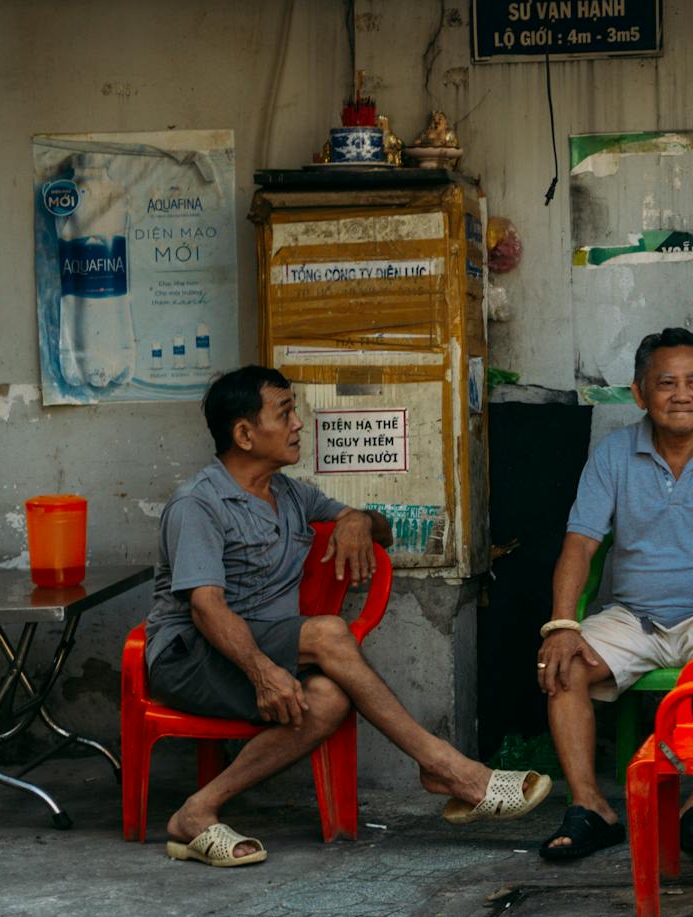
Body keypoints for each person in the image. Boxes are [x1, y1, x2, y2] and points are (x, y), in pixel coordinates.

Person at [144, 365, 550, 867]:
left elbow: (382, 530)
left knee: (331, 699)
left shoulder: (290, 494)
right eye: (285, 412)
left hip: (259, 647)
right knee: (330, 633)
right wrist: (265, 672)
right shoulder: (198, 505)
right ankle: (448, 768)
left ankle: (198, 808)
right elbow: (206, 608)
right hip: (192, 657)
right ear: (245, 434)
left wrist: (358, 520)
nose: (298, 424)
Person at [535, 328, 693, 862]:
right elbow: (580, 543)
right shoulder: (614, 454)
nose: (681, 395)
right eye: (665, 383)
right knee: (563, 666)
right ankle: (590, 808)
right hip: (632, 616)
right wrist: (561, 624)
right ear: (639, 393)